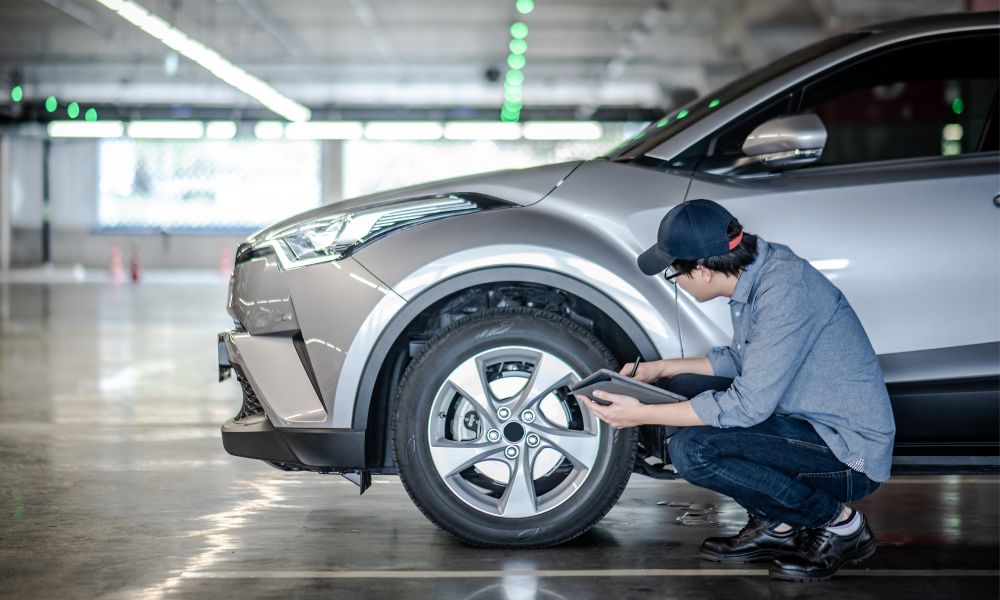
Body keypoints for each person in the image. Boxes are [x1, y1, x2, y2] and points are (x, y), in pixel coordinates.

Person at [581, 199, 895, 582]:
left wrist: (640, 414)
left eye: (673, 273)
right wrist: (661, 369)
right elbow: (742, 359)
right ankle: (777, 525)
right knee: (678, 387)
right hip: (804, 424)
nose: (675, 281)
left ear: (701, 270)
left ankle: (840, 526)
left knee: (694, 451)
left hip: (849, 454)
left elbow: (747, 407)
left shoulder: (784, 291)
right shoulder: (762, 269)